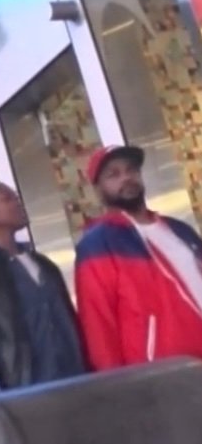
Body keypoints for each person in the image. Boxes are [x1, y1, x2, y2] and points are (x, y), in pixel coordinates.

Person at [0, 172, 85, 390]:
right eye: (7, 199)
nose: (18, 203)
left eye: (16, 198)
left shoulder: (45, 265)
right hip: (24, 395)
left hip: (77, 384)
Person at [76, 145, 202, 369]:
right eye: (113, 174)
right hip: (163, 374)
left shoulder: (180, 230)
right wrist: (118, 384)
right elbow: (98, 325)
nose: (126, 177)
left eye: (131, 170)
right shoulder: (97, 243)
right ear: (98, 189)